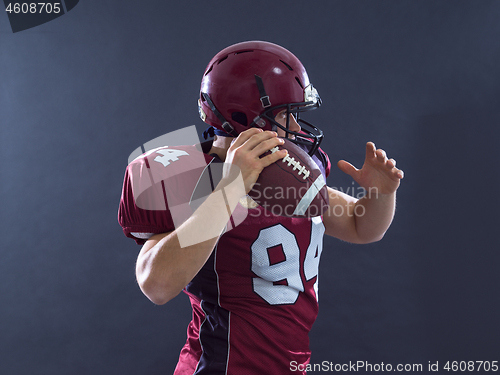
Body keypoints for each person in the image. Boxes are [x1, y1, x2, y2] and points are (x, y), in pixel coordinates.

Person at [118, 41, 403, 375]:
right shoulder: (188, 175)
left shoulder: (290, 171)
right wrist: (231, 187)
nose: (296, 128)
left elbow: (359, 225)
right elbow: (157, 285)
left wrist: (382, 194)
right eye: (285, 115)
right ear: (244, 115)